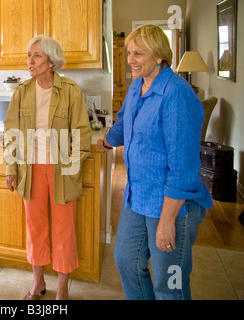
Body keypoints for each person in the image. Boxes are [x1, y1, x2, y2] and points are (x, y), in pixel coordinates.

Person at [97, 25, 213, 300]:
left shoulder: (177, 95)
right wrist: (107, 141)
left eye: (139, 53)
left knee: (169, 282)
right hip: (137, 197)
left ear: (159, 56)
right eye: (128, 53)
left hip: (171, 205)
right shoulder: (138, 85)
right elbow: (125, 121)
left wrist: (167, 221)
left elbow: (183, 168)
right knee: (126, 260)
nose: (130, 59)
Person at [4, 35, 91, 300]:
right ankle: (38, 283)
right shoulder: (22, 92)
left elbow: (82, 133)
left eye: (37, 55)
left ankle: (62, 287)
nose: (30, 61)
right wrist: (11, 168)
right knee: (35, 228)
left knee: (64, 230)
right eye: (29, 55)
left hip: (61, 170)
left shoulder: (71, 91)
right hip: (30, 170)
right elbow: (12, 131)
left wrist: (72, 169)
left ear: (51, 61)